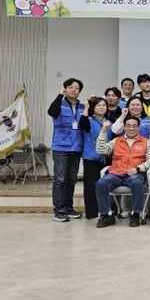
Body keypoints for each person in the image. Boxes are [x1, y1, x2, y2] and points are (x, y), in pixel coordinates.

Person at [94, 115, 150, 228]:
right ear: (124, 127)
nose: (131, 128)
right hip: (116, 174)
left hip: (135, 174)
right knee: (100, 183)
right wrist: (103, 131)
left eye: (134, 126)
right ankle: (106, 215)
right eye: (128, 126)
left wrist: (138, 169)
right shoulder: (116, 141)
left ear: (138, 127)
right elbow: (101, 150)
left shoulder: (146, 142)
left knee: (137, 183)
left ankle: (135, 214)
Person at [47, 78, 84, 222]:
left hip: (76, 147)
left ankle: (69, 208)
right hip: (61, 147)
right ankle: (59, 210)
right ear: (65, 89)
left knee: (71, 180)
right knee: (60, 180)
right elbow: (51, 112)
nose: (74, 90)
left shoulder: (82, 106)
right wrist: (59, 95)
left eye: (76, 88)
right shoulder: (59, 103)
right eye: (70, 87)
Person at [79, 96, 112, 220]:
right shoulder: (88, 120)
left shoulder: (109, 123)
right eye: (98, 105)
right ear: (93, 107)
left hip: (105, 158)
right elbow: (83, 125)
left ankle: (104, 210)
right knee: (91, 186)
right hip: (91, 157)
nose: (101, 107)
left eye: (104, 105)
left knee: (104, 185)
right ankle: (92, 212)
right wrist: (86, 107)